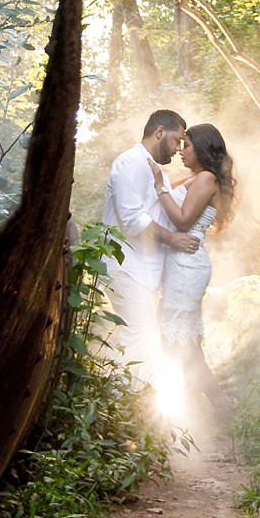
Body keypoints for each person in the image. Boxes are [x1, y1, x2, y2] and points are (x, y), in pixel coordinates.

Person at [152, 122, 235, 410]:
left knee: (179, 342)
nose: (180, 151)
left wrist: (161, 187)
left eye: (186, 145)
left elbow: (183, 220)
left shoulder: (206, 179)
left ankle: (221, 403)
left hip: (187, 265)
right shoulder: (197, 178)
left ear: (201, 147)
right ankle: (207, 403)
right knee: (181, 340)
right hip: (182, 264)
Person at [99, 108, 187, 364]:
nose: (178, 149)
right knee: (138, 336)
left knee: (141, 338)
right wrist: (173, 239)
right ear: (160, 131)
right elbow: (133, 219)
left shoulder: (154, 169)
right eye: (176, 140)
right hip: (126, 267)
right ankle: (121, 401)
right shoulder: (130, 163)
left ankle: (127, 397)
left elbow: (162, 203)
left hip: (141, 271)